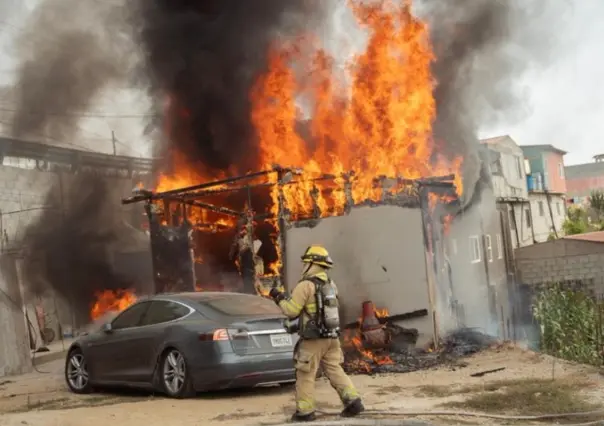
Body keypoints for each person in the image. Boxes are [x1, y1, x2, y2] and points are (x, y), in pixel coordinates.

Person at [268, 245, 364, 422]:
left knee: (305, 374)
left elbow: (291, 310)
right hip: (332, 338)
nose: (303, 266)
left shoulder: (305, 285)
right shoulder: (331, 284)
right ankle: (353, 402)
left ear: (312, 264)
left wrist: (278, 296)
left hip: (313, 340)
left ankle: (305, 412)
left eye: (305, 262)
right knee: (335, 369)